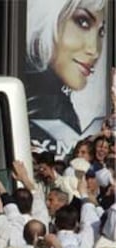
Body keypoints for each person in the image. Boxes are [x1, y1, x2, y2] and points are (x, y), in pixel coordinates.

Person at [25, 0, 106, 155]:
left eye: (101, 32)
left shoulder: (53, 101)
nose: (94, 50)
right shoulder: (46, 107)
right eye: (83, 22)